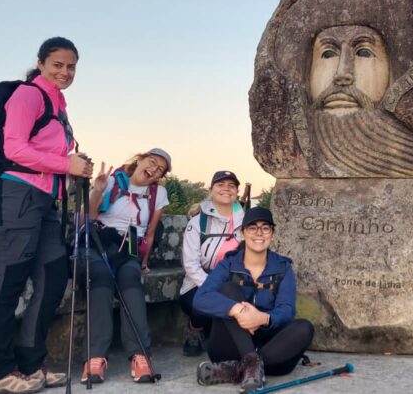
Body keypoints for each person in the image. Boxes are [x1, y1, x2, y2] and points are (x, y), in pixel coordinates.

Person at [0, 37, 93, 394]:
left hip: (45, 201)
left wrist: (73, 169)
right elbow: (14, 147)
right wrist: (65, 163)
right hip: (17, 196)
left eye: (71, 66)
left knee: (53, 277)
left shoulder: (59, 103)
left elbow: (46, 153)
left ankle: (31, 364)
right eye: (58, 64)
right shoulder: (29, 95)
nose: (65, 71)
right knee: (9, 281)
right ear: (42, 63)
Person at [193, 207, 314, 393]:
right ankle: (251, 362)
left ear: (272, 234)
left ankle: (234, 370)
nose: (259, 233)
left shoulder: (283, 267)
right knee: (228, 289)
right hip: (228, 347)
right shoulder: (229, 264)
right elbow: (200, 299)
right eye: (252, 227)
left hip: (270, 350)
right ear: (242, 233)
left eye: (265, 228)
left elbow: (287, 309)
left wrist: (263, 319)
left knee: (305, 327)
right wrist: (237, 310)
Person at [78, 148, 172, 384]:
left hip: (128, 249)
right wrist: (96, 193)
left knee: (131, 281)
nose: (153, 169)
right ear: (139, 160)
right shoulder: (111, 181)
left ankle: (141, 354)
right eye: (152, 162)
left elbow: (149, 233)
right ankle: (94, 358)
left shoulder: (157, 193)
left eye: (160, 169)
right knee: (100, 279)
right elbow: (84, 222)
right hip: (98, 243)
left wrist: (143, 262)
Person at [179, 171, 246, 356]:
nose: (226, 189)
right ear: (211, 190)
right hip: (200, 282)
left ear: (237, 192)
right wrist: (211, 287)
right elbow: (191, 264)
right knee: (202, 304)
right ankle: (195, 328)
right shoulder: (197, 222)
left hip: (234, 281)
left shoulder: (248, 222)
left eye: (231, 186)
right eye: (221, 184)